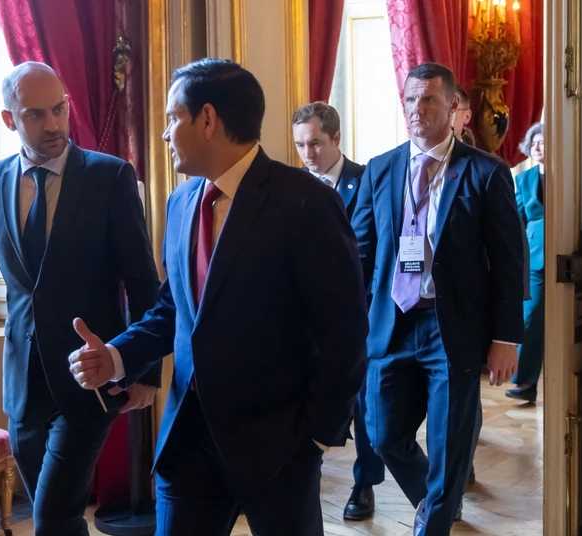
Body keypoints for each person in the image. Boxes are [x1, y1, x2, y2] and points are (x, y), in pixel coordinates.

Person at [68, 58, 368, 536]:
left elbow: (344, 328)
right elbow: (174, 309)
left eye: (173, 118)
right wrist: (117, 357)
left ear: (207, 119)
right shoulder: (181, 202)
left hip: (279, 445)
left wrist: (318, 435)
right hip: (189, 440)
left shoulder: (304, 202)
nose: (164, 134)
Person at [0, 62, 161, 536]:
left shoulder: (109, 176)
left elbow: (141, 278)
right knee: (58, 519)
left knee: (51, 518)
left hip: (89, 377)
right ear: (10, 119)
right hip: (22, 384)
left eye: (59, 109)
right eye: (35, 114)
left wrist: (144, 370)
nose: (53, 124)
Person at [351, 62, 524, 535]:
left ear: (453, 107)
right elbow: (360, 255)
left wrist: (506, 338)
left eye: (428, 99)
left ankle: (436, 520)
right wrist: (348, 324)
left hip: (452, 328)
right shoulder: (381, 169)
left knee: (449, 449)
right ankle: (436, 504)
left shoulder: (486, 172)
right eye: (410, 99)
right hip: (391, 323)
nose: (417, 108)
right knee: (383, 436)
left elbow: (509, 262)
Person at [292, 101, 384, 521]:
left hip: (356, 314)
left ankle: (365, 483)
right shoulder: (292, 186)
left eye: (315, 143)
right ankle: (301, 478)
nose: (307, 154)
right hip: (302, 317)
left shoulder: (366, 182)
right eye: (300, 145)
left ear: (336, 139)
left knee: (363, 406)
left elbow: (375, 251)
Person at [507, 122, 546, 402]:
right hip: (535, 258)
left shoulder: (570, 173)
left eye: (542, 142)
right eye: (534, 143)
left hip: (567, 252)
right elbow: (518, 222)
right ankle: (525, 382)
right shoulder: (523, 180)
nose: (538, 147)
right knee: (530, 317)